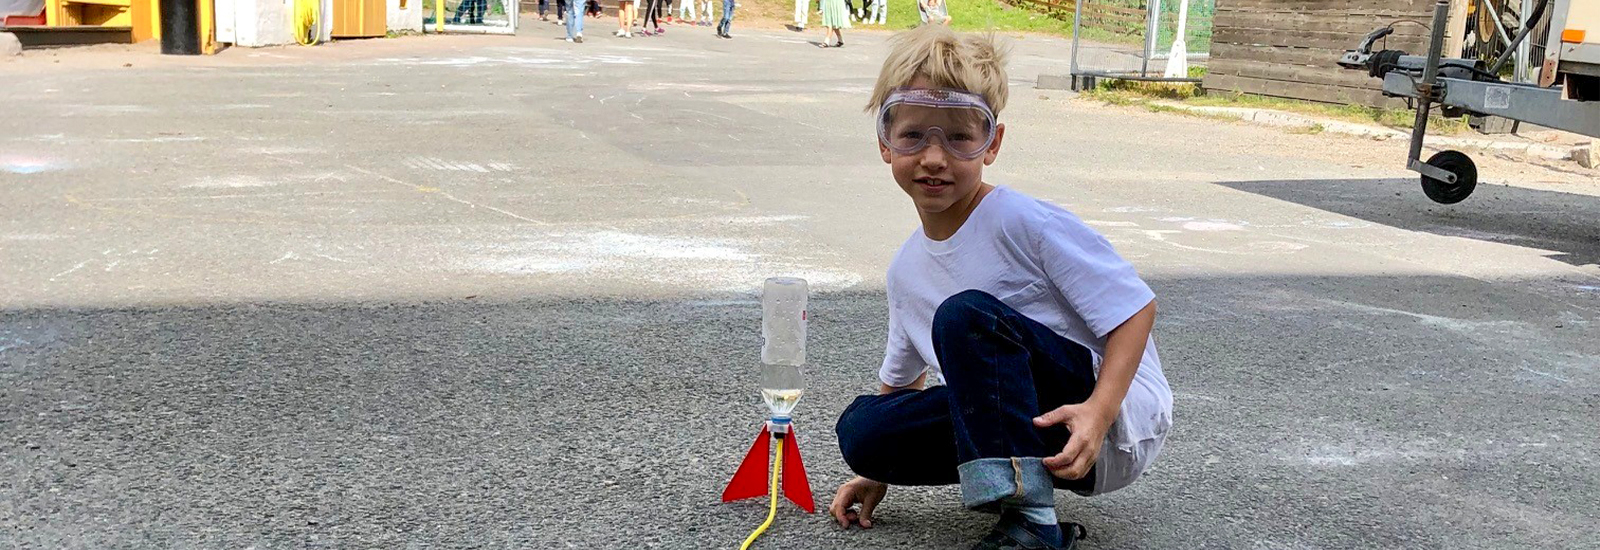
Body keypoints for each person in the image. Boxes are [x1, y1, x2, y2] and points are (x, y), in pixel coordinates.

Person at [829, 26, 1172, 550]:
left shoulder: (1021, 221)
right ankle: (1020, 495)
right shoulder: (906, 270)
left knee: (967, 316)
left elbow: (1135, 309)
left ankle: (1034, 521)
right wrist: (879, 468)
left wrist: (1099, 412)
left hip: (1106, 422)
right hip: (1027, 425)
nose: (934, 157)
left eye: (960, 137)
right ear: (884, 142)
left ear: (992, 144)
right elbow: (901, 385)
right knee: (863, 430)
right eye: (912, 135)